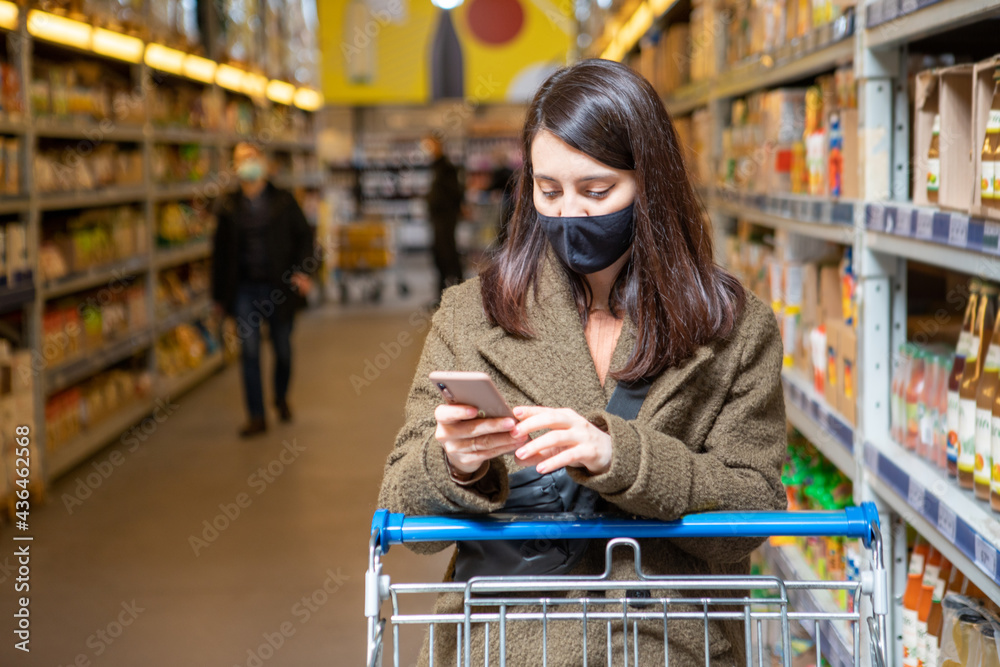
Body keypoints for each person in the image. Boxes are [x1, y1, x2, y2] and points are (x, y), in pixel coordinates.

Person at [378, 59, 787, 665]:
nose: (569, 212)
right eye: (549, 190)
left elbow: (753, 510)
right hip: (509, 641)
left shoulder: (734, 328)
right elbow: (401, 503)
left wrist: (621, 457)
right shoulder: (471, 315)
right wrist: (457, 464)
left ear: (651, 183)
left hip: (666, 643)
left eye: (597, 191)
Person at [211, 142, 316, 438]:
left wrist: (303, 270)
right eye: (241, 159)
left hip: (278, 288)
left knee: (283, 350)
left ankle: (280, 397)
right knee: (250, 352)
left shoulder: (283, 200)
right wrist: (218, 297)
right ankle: (256, 416)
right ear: (234, 166)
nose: (247, 164)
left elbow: (305, 237)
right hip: (244, 288)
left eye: (252, 158)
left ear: (263, 163)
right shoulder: (228, 205)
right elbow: (219, 253)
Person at [423, 135, 464, 299]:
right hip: (438, 218)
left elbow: (455, 193)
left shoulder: (446, 168)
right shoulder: (435, 167)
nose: (427, 148)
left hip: (446, 218)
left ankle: (459, 290)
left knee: (448, 253)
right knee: (439, 254)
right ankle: (441, 292)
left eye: (430, 144)